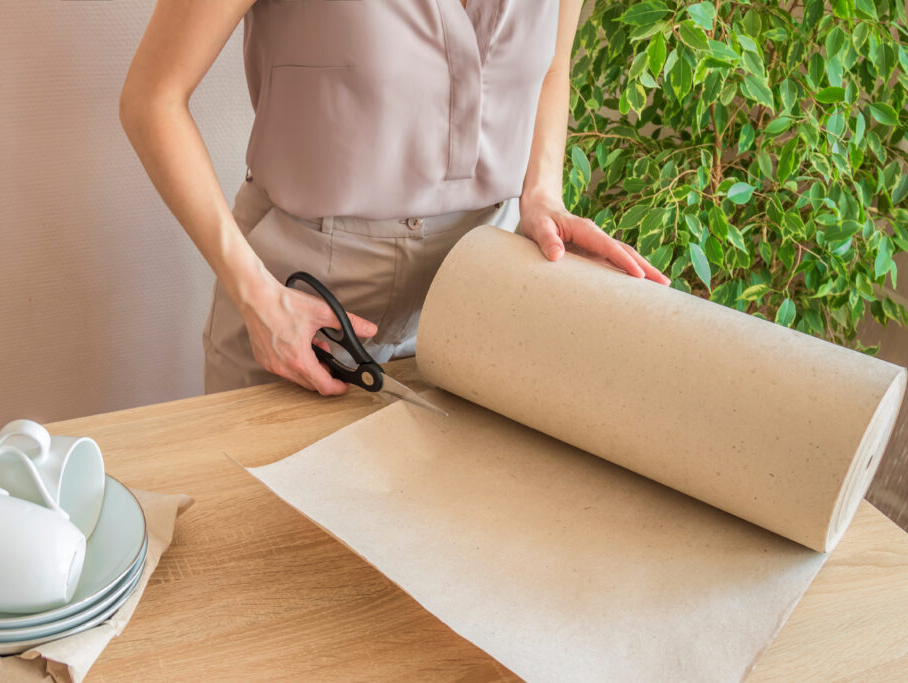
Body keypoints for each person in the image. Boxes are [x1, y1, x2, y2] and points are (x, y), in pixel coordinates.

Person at [119, 0, 670, 398]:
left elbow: (552, 68)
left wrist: (544, 193)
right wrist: (258, 299)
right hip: (298, 300)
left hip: (479, 295)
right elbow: (153, 99)